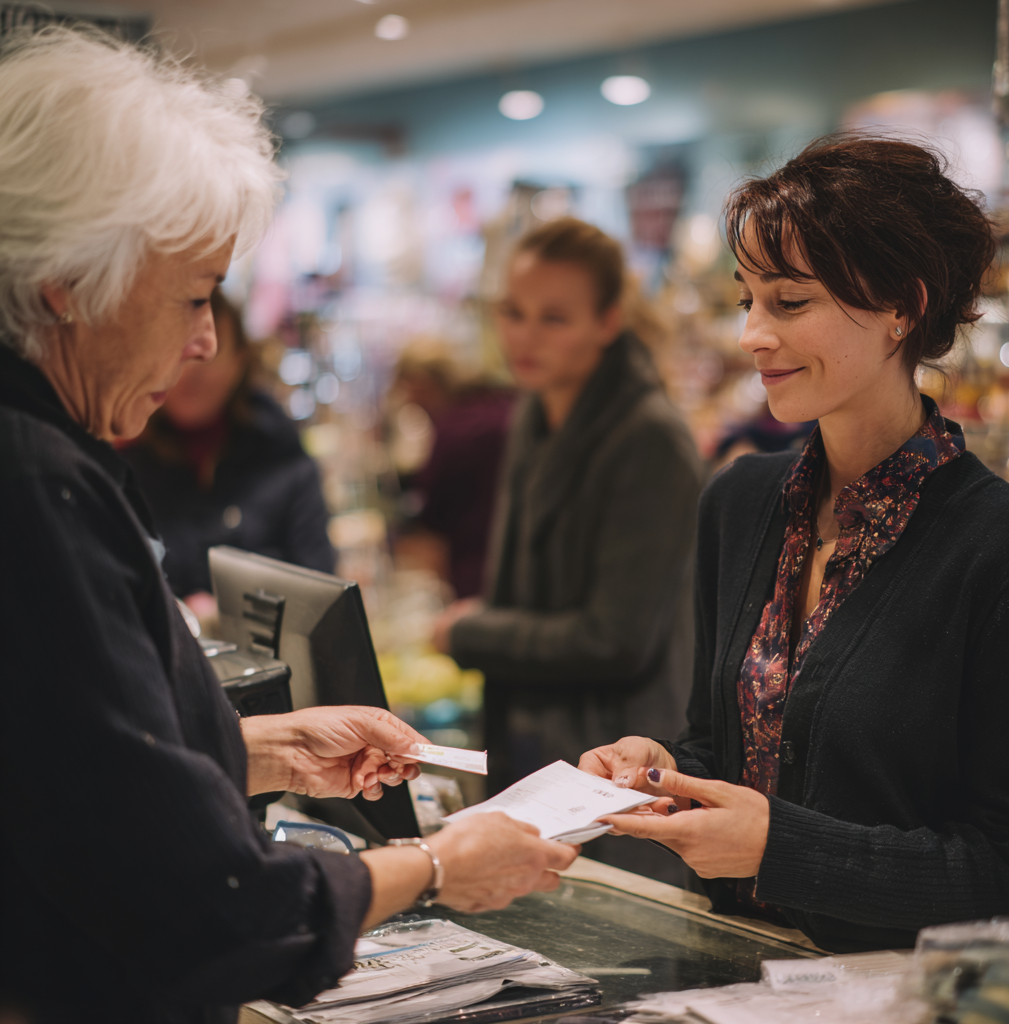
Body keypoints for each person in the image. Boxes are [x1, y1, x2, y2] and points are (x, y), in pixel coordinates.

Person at [0, 28, 576, 1024]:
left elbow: (64, 766)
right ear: (67, 280)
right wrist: (434, 864)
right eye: (188, 294)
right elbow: (207, 912)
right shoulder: (37, 481)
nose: (205, 340)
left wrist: (260, 748)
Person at [579, 135, 1009, 953]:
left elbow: (1006, 867)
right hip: (729, 968)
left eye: (788, 303)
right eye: (747, 298)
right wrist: (659, 771)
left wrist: (782, 848)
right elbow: (719, 749)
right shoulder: (741, 501)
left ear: (902, 309)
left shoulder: (999, 547)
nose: (750, 334)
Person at [433, 217, 703, 884]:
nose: (524, 336)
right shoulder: (536, 406)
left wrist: (472, 630)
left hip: (611, 766)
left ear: (608, 321)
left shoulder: (649, 438)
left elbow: (617, 639)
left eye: (554, 318)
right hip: (533, 748)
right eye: (513, 313)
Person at [122, 287, 335, 615]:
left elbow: (322, 594)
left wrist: (229, 612)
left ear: (239, 361)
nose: (190, 370)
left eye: (207, 353)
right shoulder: (125, 466)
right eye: (177, 350)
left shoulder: (284, 460)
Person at [392, 340, 515, 598]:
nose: (409, 398)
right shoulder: (498, 403)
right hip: (514, 556)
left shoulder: (455, 431)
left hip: (476, 568)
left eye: (410, 387)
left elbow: (432, 513)